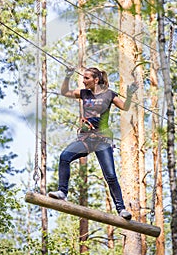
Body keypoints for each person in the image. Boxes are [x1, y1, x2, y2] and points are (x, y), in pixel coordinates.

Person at [49, 67, 138, 220]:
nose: (84, 81)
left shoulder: (109, 94)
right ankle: (62, 192)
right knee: (64, 156)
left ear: (96, 80)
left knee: (110, 175)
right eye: (83, 78)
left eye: (87, 78)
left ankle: (121, 209)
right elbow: (65, 92)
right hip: (86, 138)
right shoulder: (84, 93)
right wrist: (67, 77)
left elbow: (125, 106)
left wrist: (129, 94)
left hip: (102, 139)